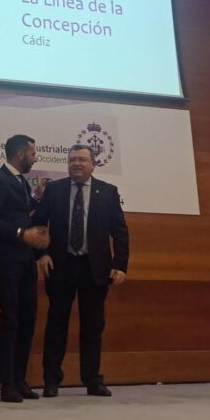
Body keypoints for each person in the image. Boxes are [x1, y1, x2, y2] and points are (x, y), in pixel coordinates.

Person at [33, 144, 129, 398]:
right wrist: (41, 254)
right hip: (60, 266)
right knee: (56, 325)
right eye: (72, 159)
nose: (76, 163)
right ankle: (51, 380)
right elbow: (38, 224)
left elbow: (119, 232)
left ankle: (92, 380)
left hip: (95, 268)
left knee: (93, 326)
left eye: (82, 160)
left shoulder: (108, 192)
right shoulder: (54, 190)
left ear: (93, 164)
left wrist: (120, 264)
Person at [0, 134, 50, 402]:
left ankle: (20, 379)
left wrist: (37, 199)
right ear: (21, 154)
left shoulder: (20, 181)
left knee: (28, 318)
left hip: (25, 260)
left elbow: (18, 211)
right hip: (6, 258)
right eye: (33, 154)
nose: (35, 158)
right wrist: (22, 233)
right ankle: (7, 383)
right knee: (10, 319)